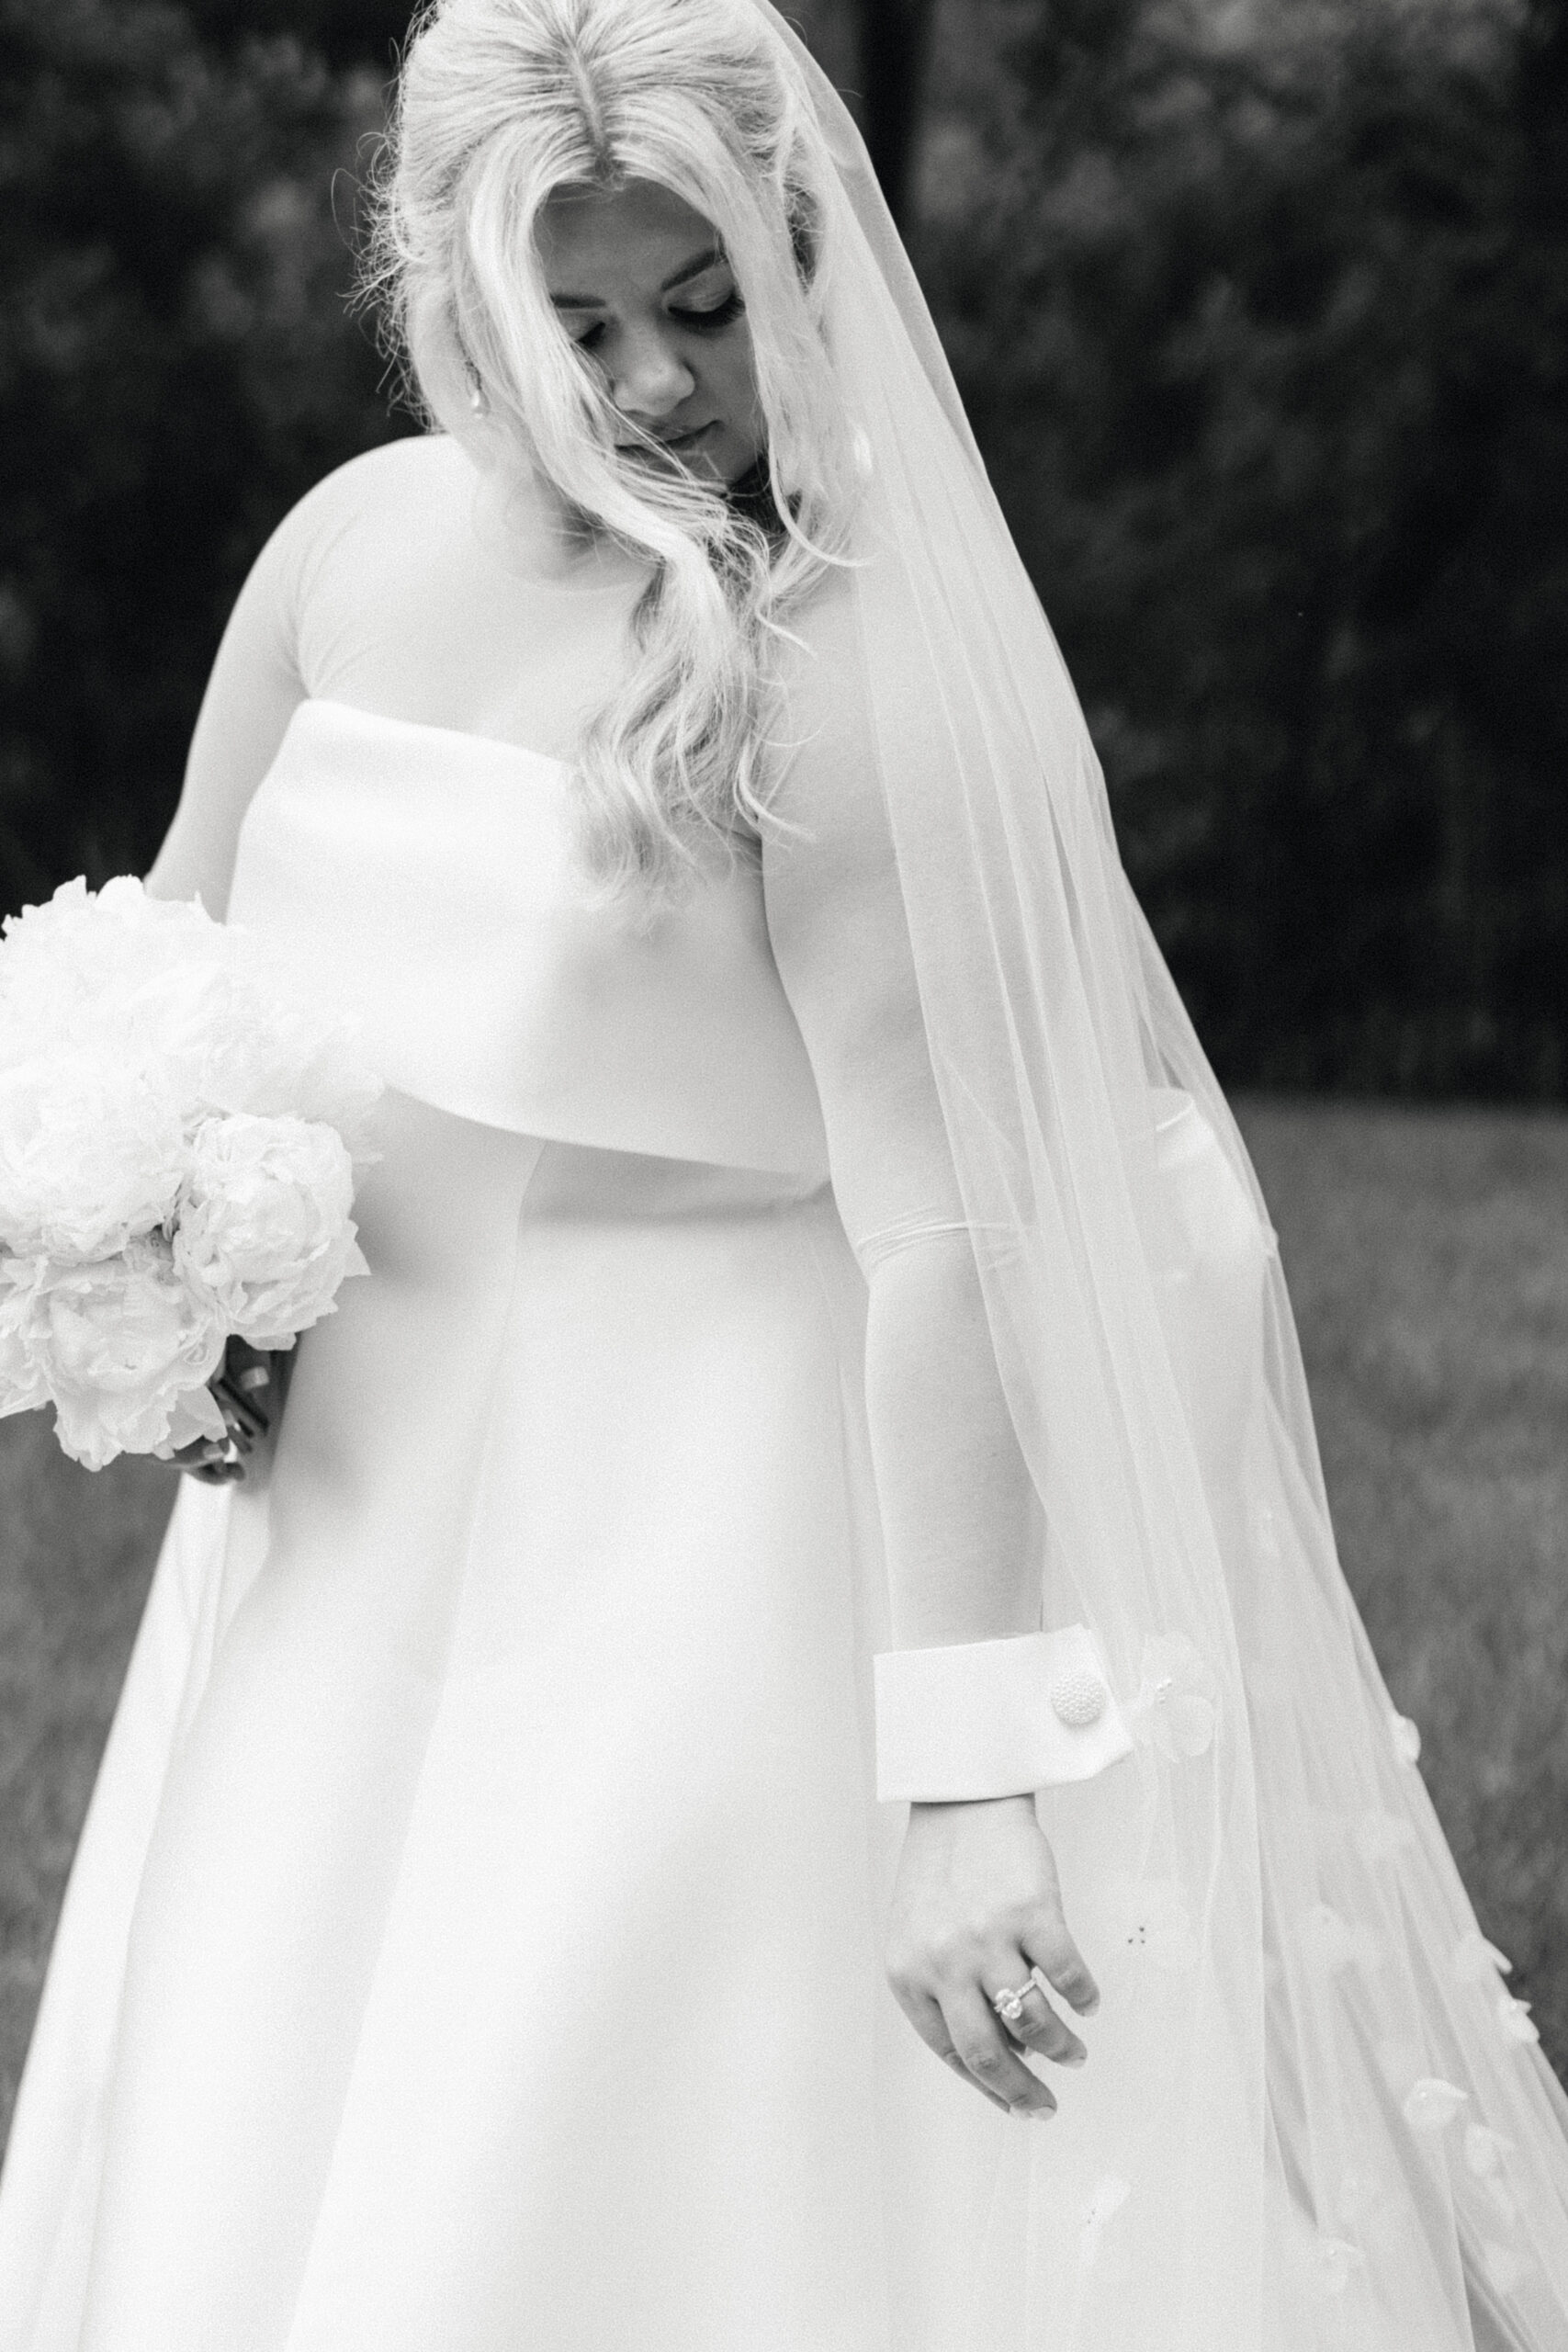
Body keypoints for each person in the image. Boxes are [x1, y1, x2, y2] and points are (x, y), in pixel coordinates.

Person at [2, 1, 1565, 2345]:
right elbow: (172, 959)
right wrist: (113, 1222)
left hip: (683, 1526)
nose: (651, 384)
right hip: (342, 1513)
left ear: (804, 258)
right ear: (456, 286)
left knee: (587, 2128)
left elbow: (952, 1238)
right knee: (278, 2073)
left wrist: (960, 1776)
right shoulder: (340, 553)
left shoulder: (833, 666)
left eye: (709, 306)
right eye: (583, 319)